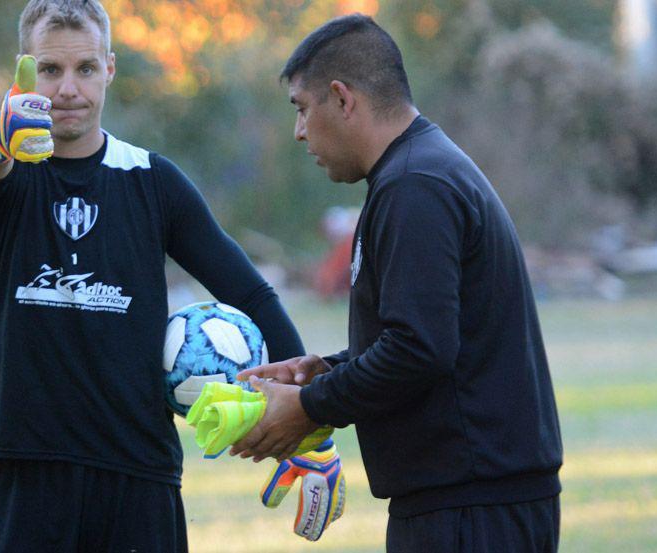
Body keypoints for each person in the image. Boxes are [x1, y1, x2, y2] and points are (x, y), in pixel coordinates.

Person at [0, 1, 306, 551]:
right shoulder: (4, 173)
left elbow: (250, 294)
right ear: (25, 72)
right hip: (19, 476)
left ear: (109, 69)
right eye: (51, 70)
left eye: (86, 68)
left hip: (137, 482)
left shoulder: (153, 182)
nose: (69, 88)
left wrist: (310, 421)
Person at [230, 14, 563, 553]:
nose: (299, 131)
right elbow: (429, 337)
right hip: (466, 501)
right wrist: (328, 370)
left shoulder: (414, 186)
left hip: (471, 507)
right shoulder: (412, 173)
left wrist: (310, 405)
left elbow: (420, 349)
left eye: (301, 108)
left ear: (342, 98)